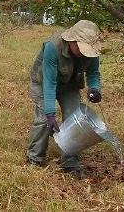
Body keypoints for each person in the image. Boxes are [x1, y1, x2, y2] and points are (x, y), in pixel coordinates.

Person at [26, 19, 103, 178]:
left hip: (69, 83)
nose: (84, 53)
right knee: (42, 120)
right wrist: (50, 113)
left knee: (75, 118)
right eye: (82, 49)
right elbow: (49, 82)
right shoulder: (52, 47)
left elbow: (94, 73)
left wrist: (95, 88)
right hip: (43, 82)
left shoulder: (91, 52)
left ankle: (69, 162)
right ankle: (35, 158)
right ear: (72, 41)